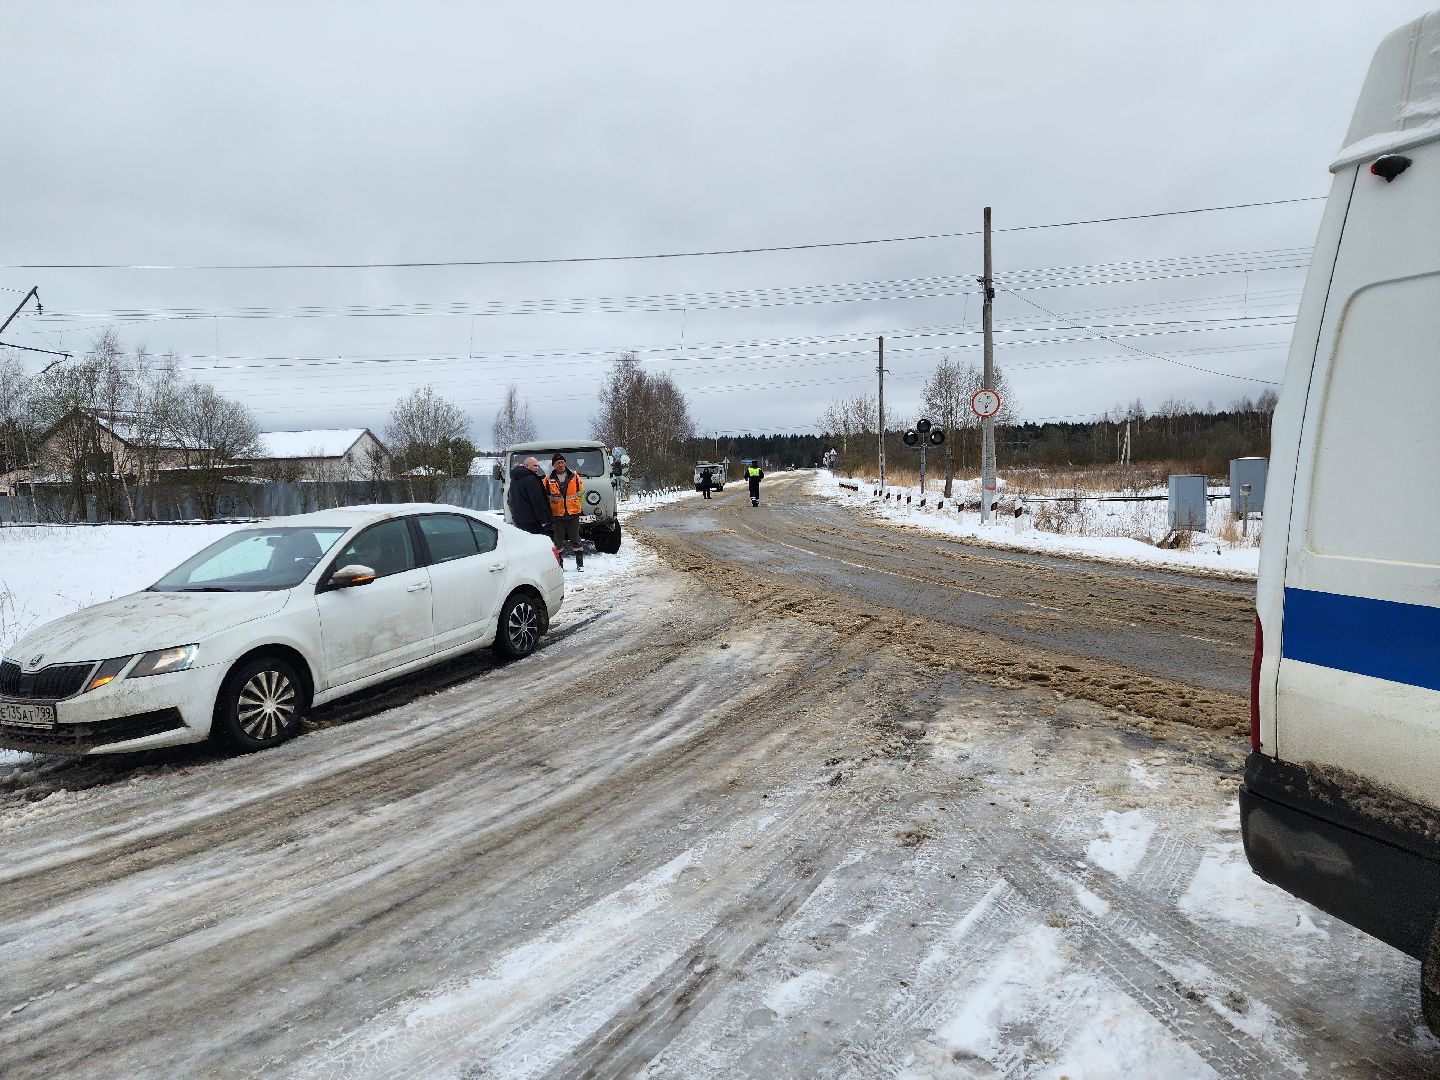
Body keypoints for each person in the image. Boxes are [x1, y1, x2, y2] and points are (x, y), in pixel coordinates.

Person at [544, 453, 585, 571]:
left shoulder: (574, 476)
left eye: (562, 462)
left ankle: (580, 564)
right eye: (558, 463)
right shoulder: (547, 479)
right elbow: (545, 496)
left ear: (565, 463)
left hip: (573, 513)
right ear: (554, 465)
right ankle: (559, 565)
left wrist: (577, 504)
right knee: (558, 541)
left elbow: (581, 492)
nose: (561, 464)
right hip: (557, 515)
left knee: (576, 539)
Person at [507, 456, 552, 536]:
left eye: (538, 466)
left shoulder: (514, 479)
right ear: (526, 466)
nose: (537, 468)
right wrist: (543, 520)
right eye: (535, 465)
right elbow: (537, 501)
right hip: (533, 522)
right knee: (538, 544)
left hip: (519, 520)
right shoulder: (531, 479)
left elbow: (510, 499)